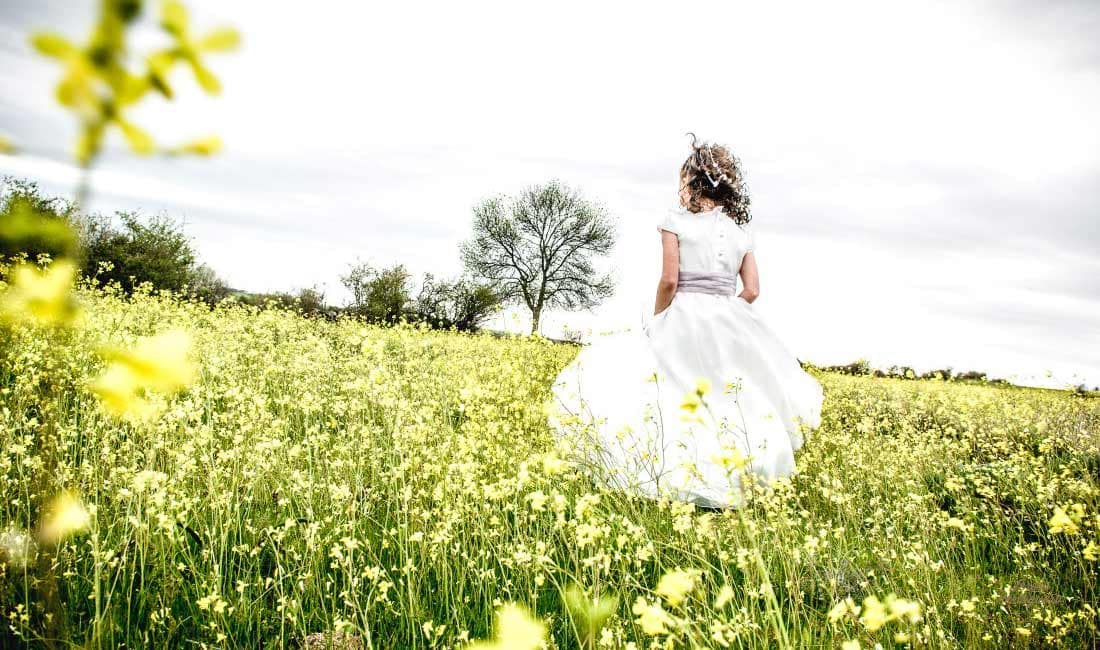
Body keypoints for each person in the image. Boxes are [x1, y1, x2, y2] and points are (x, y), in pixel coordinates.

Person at [549, 134, 824, 510]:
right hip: (729, 315)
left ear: (691, 180)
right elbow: (754, 290)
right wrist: (728, 314)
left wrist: (661, 319)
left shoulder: (674, 221)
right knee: (730, 399)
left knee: (670, 395)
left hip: (682, 314)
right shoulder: (741, 229)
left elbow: (669, 281)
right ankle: (741, 479)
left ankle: (675, 476)